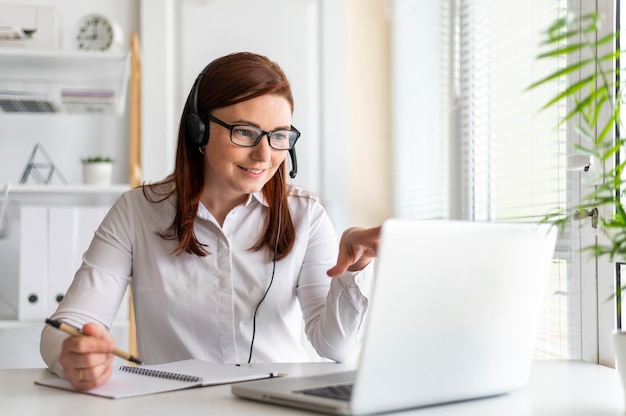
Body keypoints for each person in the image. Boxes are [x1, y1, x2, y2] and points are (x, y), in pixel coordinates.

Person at [40, 51, 381, 391]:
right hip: (177, 405)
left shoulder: (306, 215)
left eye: (279, 136)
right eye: (245, 132)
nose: (265, 156)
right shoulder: (136, 212)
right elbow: (65, 326)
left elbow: (336, 348)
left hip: (281, 404)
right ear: (198, 129)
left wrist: (356, 269)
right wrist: (73, 353)